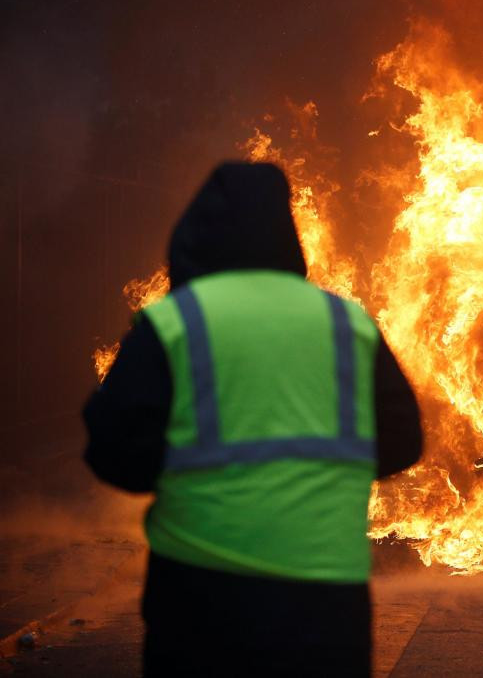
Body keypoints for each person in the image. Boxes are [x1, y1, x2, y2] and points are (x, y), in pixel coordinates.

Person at [83, 161, 422, 677]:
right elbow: (402, 441)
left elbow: (114, 453)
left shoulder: (175, 321)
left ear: (196, 236)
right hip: (326, 601)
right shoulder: (343, 322)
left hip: (200, 599)